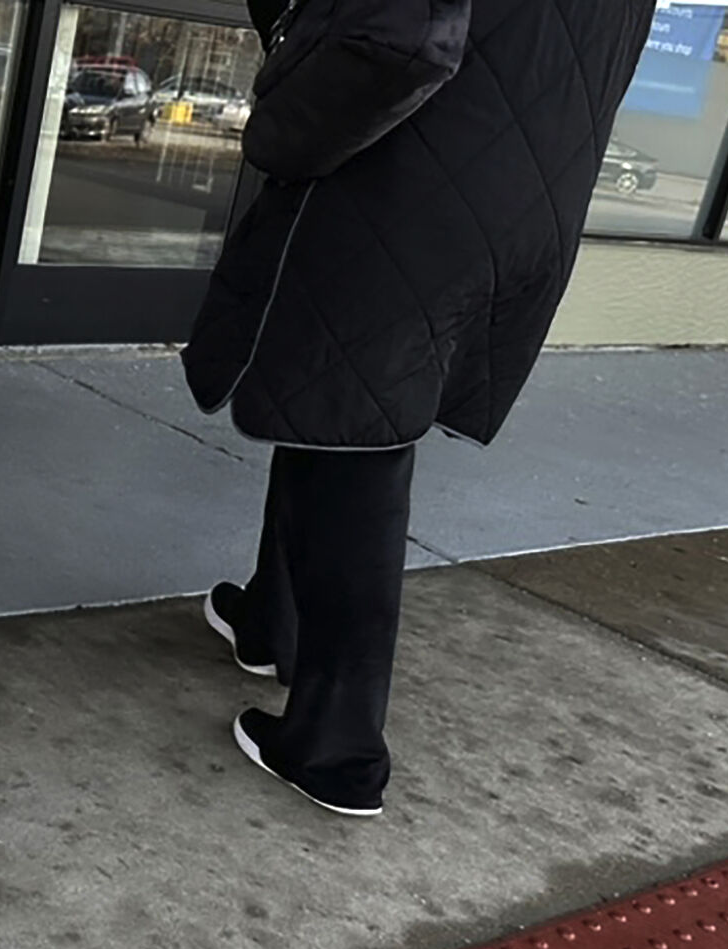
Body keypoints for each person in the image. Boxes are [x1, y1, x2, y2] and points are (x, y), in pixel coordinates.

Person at [183, 0, 655, 817]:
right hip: (521, 193)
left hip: (401, 176)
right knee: (328, 404)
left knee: (356, 437)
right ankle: (271, 619)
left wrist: (276, 133)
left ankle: (337, 747)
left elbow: (395, 40)